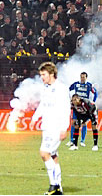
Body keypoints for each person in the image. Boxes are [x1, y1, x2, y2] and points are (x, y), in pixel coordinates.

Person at [31, 62, 71, 195]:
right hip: (47, 126)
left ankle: (54, 186)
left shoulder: (61, 88)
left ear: (51, 74)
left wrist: (64, 128)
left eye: (44, 74)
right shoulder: (46, 88)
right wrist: (35, 118)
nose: (42, 77)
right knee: (53, 155)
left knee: (44, 153)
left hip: (56, 126)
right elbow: (43, 105)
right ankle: (58, 186)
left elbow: (66, 109)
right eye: (41, 75)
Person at [68, 72, 97, 147]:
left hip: (85, 106)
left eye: (83, 77)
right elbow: (68, 89)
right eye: (81, 77)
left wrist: (93, 101)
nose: (82, 78)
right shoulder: (75, 84)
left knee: (84, 123)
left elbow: (95, 93)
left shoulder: (89, 85)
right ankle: (72, 140)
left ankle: (82, 141)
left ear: (86, 78)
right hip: (77, 106)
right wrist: (70, 98)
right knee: (74, 123)